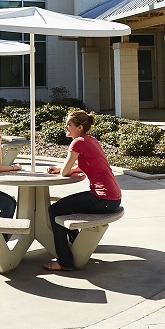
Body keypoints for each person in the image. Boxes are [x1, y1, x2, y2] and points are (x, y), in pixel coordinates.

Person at [44, 109, 122, 272]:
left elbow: (66, 172)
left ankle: (65, 261)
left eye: (69, 124)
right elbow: (82, 165)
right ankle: (77, 245)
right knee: (63, 208)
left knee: (54, 210)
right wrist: (60, 169)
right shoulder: (90, 140)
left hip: (103, 199)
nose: (66, 127)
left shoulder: (78, 142)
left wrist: (63, 170)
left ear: (79, 127)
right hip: (112, 198)